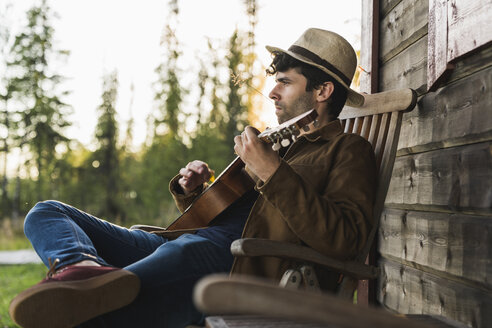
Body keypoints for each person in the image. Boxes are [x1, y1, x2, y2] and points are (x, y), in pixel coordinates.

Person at [9, 28, 377, 328]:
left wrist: (271, 171)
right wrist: (196, 193)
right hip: (184, 244)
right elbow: (234, 214)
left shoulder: (346, 151)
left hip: (235, 266)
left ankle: (87, 289)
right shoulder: (276, 145)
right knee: (48, 212)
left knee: (92, 314)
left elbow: (344, 238)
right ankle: (80, 268)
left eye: (285, 82)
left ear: (323, 91)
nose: (272, 92)